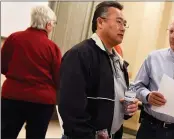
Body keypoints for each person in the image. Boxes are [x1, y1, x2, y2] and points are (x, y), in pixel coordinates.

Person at [58, 1, 138, 139]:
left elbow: (113, 100)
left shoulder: (118, 61)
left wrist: (128, 109)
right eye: (119, 22)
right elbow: (70, 108)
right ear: (100, 22)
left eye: (125, 24)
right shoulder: (79, 54)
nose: (123, 28)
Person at [1, 5, 60, 139]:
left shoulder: (13, 38)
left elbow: (2, 66)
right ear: (48, 24)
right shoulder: (52, 48)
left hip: (12, 97)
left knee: (5, 134)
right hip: (41, 102)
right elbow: (58, 77)